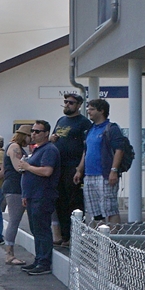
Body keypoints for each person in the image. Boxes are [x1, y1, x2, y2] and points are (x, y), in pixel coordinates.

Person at [14, 120, 60, 275]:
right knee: (36, 229)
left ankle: (44, 262)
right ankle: (39, 259)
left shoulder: (49, 150)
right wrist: (26, 194)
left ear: (46, 133)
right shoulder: (38, 150)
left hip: (43, 196)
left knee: (42, 229)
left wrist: (27, 167)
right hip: (33, 196)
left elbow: (47, 171)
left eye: (37, 131)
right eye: (32, 131)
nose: (33, 133)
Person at [75, 98, 128, 224]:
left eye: (92, 109)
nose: (88, 111)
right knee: (94, 211)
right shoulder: (90, 130)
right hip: (89, 175)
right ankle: (99, 240)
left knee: (109, 208)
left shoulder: (111, 128)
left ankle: (112, 240)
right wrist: (79, 170)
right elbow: (86, 151)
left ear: (102, 111)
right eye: (88, 109)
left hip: (104, 174)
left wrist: (113, 170)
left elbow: (119, 150)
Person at [51, 92, 91, 245]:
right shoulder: (61, 120)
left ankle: (76, 236)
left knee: (74, 201)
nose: (67, 105)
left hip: (73, 167)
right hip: (59, 167)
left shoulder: (83, 123)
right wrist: (52, 139)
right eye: (66, 102)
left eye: (71, 103)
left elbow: (86, 148)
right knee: (60, 201)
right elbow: (54, 138)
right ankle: (64, 235)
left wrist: (80, 168)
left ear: (78, 105)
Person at [1, 126, 29, 265]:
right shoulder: (14, 147)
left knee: (14, 220)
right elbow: (19, 167)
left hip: (14, 187)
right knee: (14, 220)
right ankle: (9, 254)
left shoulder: (13, 146)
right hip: (15, 188)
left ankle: (10, 253)